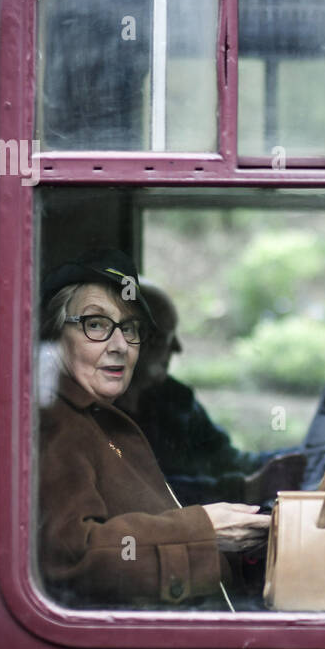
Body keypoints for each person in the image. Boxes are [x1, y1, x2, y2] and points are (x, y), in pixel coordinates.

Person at [37, 248, 269, 608]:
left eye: (129, 328)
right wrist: (202, 530)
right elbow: (71, 557)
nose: (120, 346)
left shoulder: (100, 420)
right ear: (55, 335)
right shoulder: (56, 425)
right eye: (96, 324)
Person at [115, 280, 306, 507]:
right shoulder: (100, 417)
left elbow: (227, 459)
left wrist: (310, 456)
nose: (177, 347)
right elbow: (148, 492)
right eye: (167, 336)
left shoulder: (174, 398)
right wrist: (246, 489)